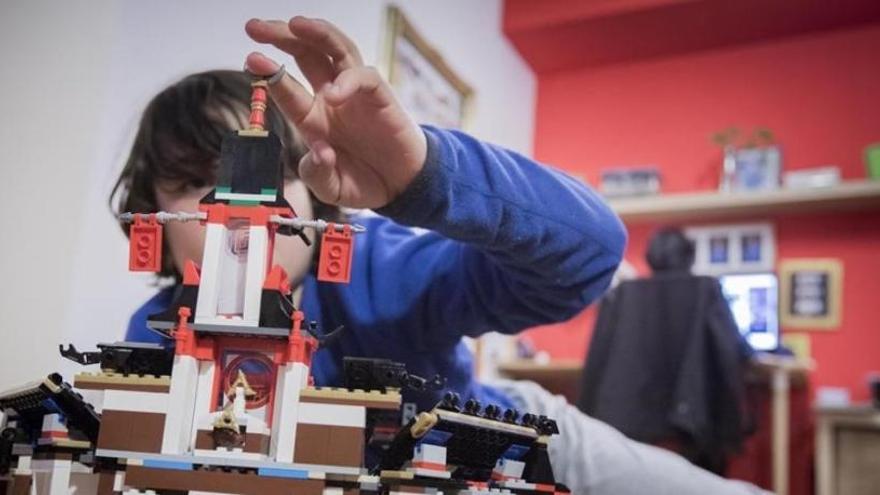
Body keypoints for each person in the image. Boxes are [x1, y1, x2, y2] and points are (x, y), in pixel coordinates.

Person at [113, 16, 767, 495]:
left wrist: (422, 177)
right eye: (198, 184)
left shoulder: (386, 268)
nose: (236, 219)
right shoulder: (155, 334)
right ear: (156, 220)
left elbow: (592, 255)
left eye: (269, 178)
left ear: (312, 194)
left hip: (502, 426)